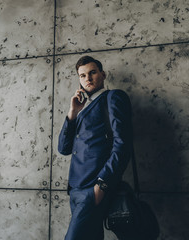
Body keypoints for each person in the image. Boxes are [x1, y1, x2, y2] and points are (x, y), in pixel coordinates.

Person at [58, 56, 133, 240]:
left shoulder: (112, 98)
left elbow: (122, 145)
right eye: (82, 75)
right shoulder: (82, 107)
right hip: (75, 188)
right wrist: (73, 112)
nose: (88, 78)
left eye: (92, 72)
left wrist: (102, 185)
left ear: (103, 74)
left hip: (94, 188)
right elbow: (63, 148)